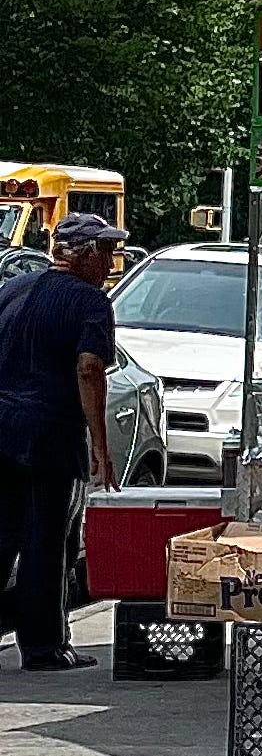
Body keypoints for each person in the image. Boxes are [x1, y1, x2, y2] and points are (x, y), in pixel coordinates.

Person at [0, 210, 122, 671]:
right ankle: (45, 646)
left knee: (3, 535)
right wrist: (100, 446)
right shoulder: (90, 302)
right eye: (105, 250)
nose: (111, 261)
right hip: (51, 432)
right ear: (82, 255)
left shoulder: (13, 289)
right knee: (48, 541)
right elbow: (89, 369)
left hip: (4, 426)